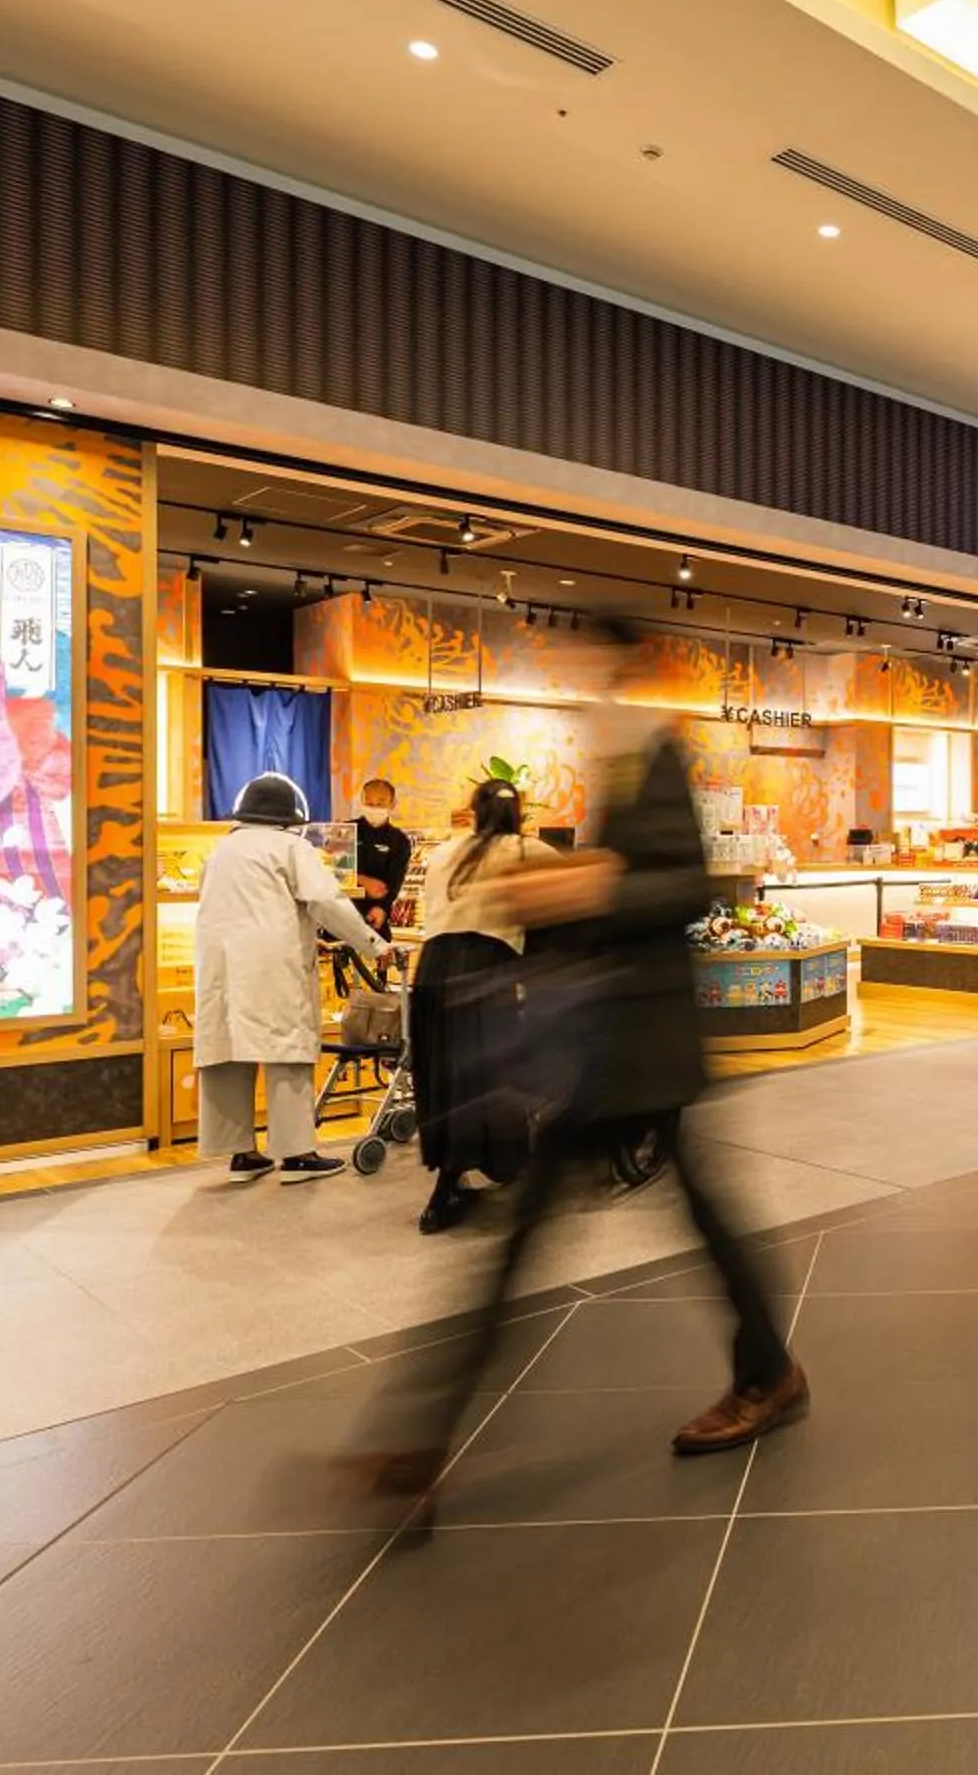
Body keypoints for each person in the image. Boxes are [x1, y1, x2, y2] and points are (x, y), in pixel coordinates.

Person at [365, 616, 803, 1489]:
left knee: (638, 1223)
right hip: (606, 1044)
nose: (569, 678)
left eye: (581, 661)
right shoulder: (618, 758)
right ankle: (424, 1436)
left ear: (621, 662)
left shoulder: (655, 753)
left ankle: (426, 1437)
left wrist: (589, 886)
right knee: (536, 1235)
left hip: (645, 1045)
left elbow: (685, 886)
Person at [192, 772, 384, 1183]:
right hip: (272, 965)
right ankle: (297, 1155)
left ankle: (241, 1154)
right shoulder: (290, 847)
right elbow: (326, 902)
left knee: (226, 1052)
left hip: (219, 966)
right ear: (287, 817)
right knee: (287, 1051)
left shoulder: (220, 850)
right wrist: (374, 945)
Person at [408, 777, 560, 1233]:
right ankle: (488, 1167)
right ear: (519, 812)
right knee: (488, 1077)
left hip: (432, 970)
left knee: (444, 1078)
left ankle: (449, 1180)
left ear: (474, 810)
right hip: (486, 970)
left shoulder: (444, 853)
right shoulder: (531, 852)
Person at [339, 777, 413, 995]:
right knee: (341, 986)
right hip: (341, 917)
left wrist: (382, 908)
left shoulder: (399, 841)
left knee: (375, 989)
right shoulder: (344, 831)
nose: (374, 807)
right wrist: (363, 880)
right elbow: (333, 872)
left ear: (392, 804)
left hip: (376, 920)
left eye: (380, 803)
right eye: (369, 802)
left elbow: (394, 883)